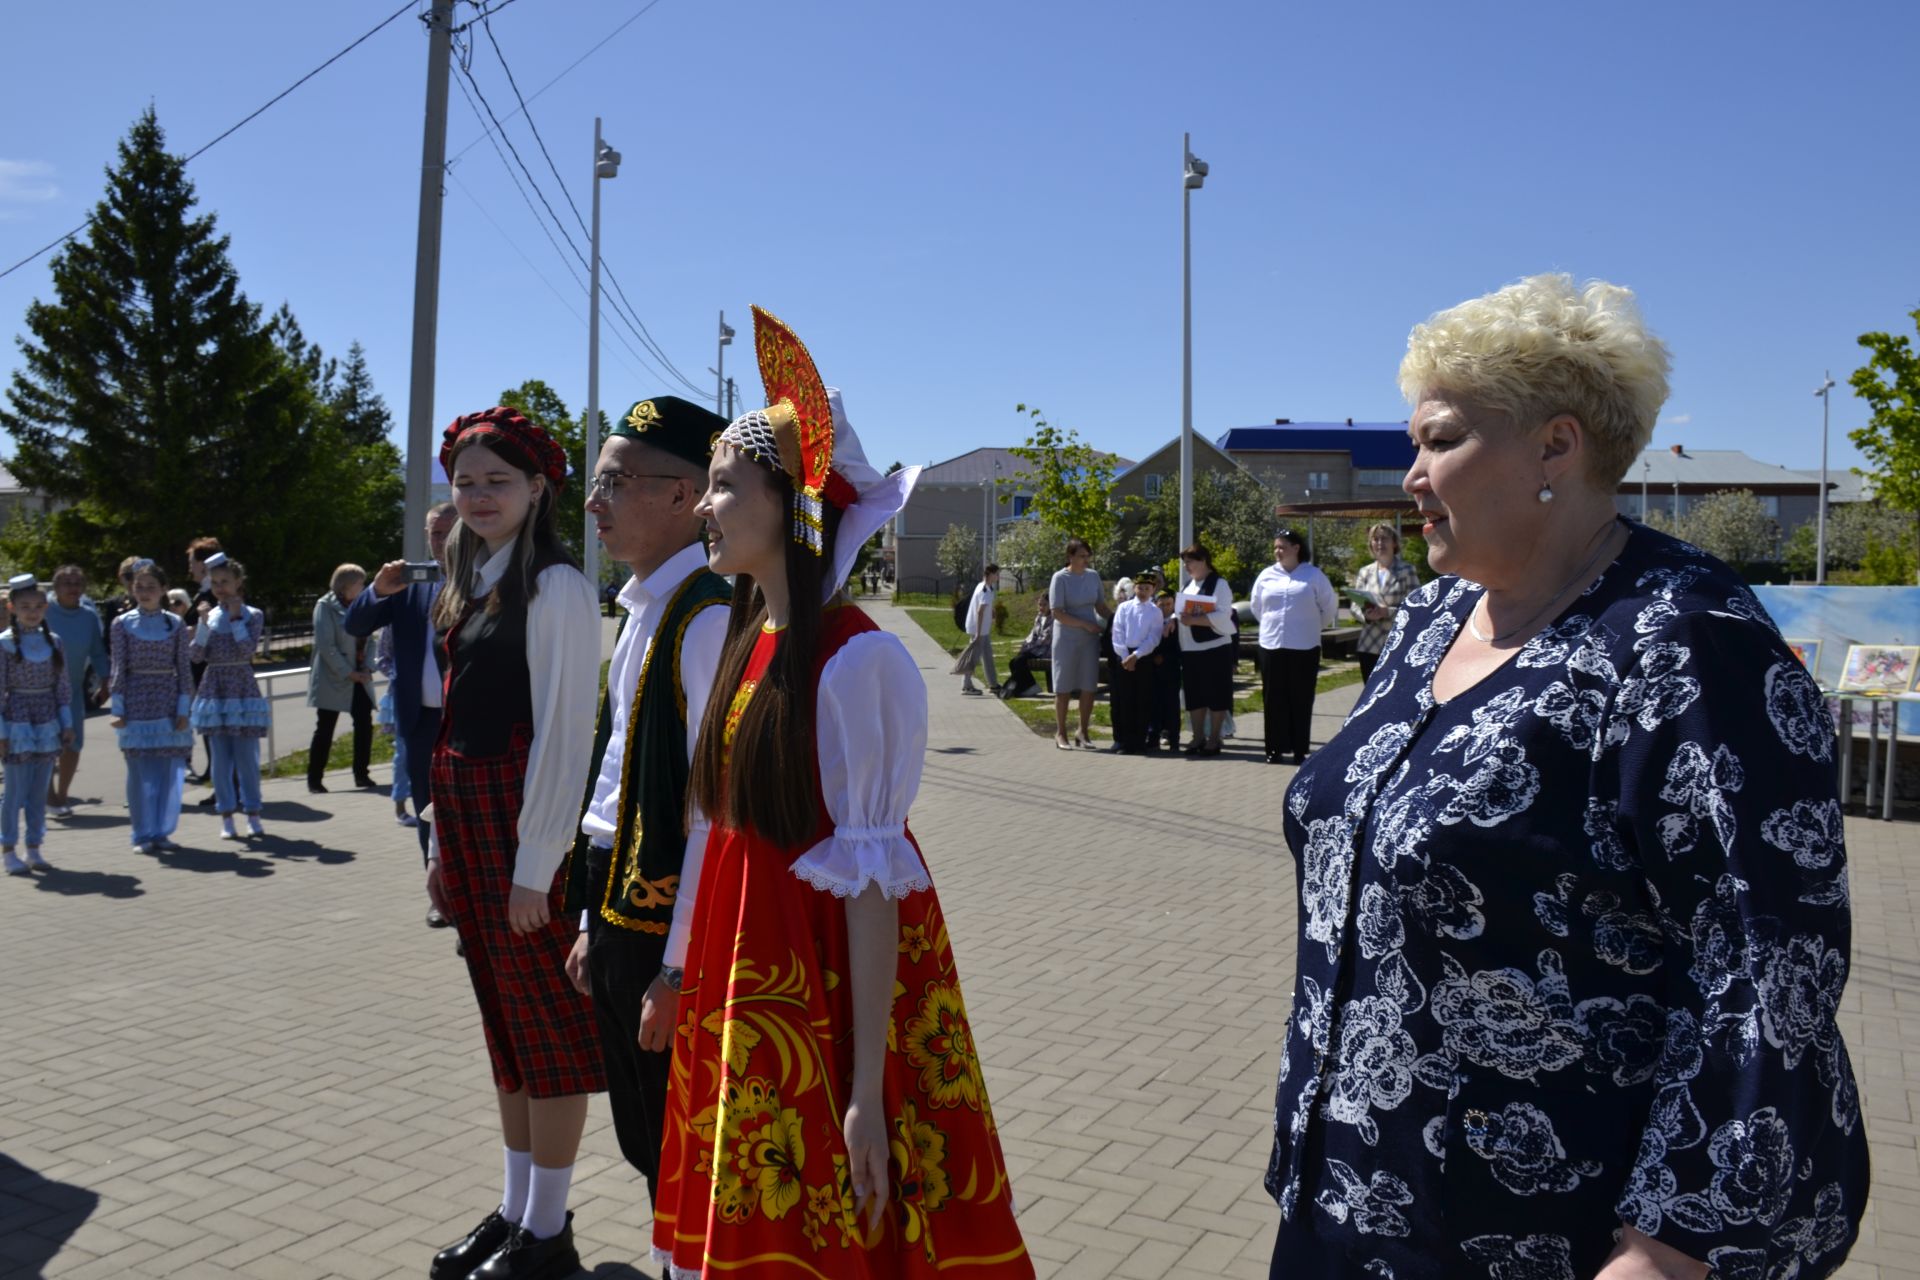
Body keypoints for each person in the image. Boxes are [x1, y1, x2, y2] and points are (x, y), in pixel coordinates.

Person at [1266, 275, 1869, 1280]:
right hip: (1347, 1194)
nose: (1412, 475)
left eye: (1442, 439)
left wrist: (1674, 1248)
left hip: (1547, 1233)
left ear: (1557, 445)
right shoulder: (1425, 622)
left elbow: (1768, 968)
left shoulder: (1685, 644)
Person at [652, 308, 1031, 1279]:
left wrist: (865, 1084)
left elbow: (871, 887)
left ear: (791, 503)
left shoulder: (859, 659)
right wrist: (687, 963)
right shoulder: (743, 638)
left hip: (824, 992)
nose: (704, 503)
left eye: (726, 484)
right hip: (752, 968)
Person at [422, 407, 602, 1280]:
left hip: (523, 836)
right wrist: (438, 851)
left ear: (538, 488)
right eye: (465, 481)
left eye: (497, 480)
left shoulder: (557, 585)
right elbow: (449, 718)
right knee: (505, 1033)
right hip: (469, 829)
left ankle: (548, 1232)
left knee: (545, 1033)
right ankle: (516, 1209)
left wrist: (539, 870)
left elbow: (568, 738)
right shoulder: (473, 579)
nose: (479, 495)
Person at [559, 394, 730, 1225]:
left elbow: (711, 815)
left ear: (681, 496)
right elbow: (612, 784)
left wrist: (677, 968)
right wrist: (591, 916)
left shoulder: (705, 618)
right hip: (616, 896)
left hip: (665, 918)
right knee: (643, 1136)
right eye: (596, 483)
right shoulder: (644, 609)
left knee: (674, 1139)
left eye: (614, 482)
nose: (594, 502)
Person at [351, 502, 458, 904]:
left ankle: (470, 898)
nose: (441, 542)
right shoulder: (411, 584)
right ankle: (439, 897)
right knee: (426, 807)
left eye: (449, 532)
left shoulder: (483, 578)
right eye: (434, 533)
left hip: (468, 719)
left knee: (467, 811)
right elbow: (356, 625)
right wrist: (377, 589)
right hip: (421, 720)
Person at [108, 560, 193, 854]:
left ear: (163, 590)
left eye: (151, 587)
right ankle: (142, 833)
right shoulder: (122, 624)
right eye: (139, 587)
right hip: (136, 699)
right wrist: (117, 707)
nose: (144, 592)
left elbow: (183, 668)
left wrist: (183, 708)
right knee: (139, 770)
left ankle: (162, 830)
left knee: (168, 770)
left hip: (167, 700)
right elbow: (118, 667)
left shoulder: (176, 624)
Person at [189, 554, 268, 839]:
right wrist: (201, 624)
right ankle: (225, 816)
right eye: (216, 582)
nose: (220, 587)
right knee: (220, 760)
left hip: (241, 686)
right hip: (215, 687)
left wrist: (235, 619)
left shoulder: (252, 614)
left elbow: (246, 651)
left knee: (247, 758)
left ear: (238, 582)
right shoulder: (209, 615)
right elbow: (196, 656)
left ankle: (253, 813)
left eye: (226, 582)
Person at [0, 575, 74, 875]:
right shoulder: (3, 644)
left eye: (37, 606)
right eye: (24, 606)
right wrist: (2, 733)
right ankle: (8, 849)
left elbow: (63, 688)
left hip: (46, 720)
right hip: (17, 720)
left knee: (39, 788)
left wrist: (66, 724)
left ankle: (34, 847)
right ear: (12, 607)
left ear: (45, 607)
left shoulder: (54, 642)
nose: (32, 612)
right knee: (15, 790)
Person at [1249, 529, 1338, 766]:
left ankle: (1300, 749)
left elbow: (1329, 608)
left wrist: (1309, 627)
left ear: (1296, 548)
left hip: (1304, 645)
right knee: (1273, 698)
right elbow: (1257, 607)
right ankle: (1274, 748)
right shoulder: (1266, 575)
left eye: (1282, 547)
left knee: (1301, 698)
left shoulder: (1313, 575)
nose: (1278, 551)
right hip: (1271, 644)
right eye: (1276, 547)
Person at [44, 564, 110, 817]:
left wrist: (105, 680)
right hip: (43, 690)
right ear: (56, 587)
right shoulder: (45, 611)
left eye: (77, 583)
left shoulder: (88, 616)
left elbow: (97, 650)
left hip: (72, 688)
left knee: (73, 744)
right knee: (47, 743)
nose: (72, 588)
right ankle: (48, 796)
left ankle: (62, 795)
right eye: (66, 583)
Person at [306, 564, 376, 794]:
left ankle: (362, 775)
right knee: (325, 727)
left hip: (359, 675)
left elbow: (372, 637)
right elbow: (326, 646)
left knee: (364, 725)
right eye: (360, 583)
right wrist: (348, 672)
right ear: (346, 586)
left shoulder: (362, 604)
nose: (364, 587)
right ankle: (314, 779)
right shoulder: (324, 606)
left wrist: (367, 666)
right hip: (334, 677)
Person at [1049, 537, 1110, 749]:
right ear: (1070, 556)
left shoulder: (1093, 577)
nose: (1086, 560)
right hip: (1066, 638)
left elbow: (1101, 606)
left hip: (1089, 638)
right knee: (1063, 687)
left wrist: (1118, 618)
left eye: (1088, 556)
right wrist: (1084, 624)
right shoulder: (1060, 578)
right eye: (1082, 556)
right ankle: (1061, 733)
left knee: (1088, 686)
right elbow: (1057, 612)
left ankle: (1082, 731)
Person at [1174, 544, 1235, 755]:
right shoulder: (1188, 585)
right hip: (1190, 649)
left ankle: (1214, 738)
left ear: (1203, 561)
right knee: (1195, 695)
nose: (1186, 567)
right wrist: (1172, 621)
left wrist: (1195, 620)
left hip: (1215, 647)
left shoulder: (1219, 584)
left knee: (1216, 693)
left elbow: (1224, 614)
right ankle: (1197, 736)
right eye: (1185, 563)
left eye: (1190, 562)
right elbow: (1180, 612)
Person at [1349, 523, 1422, 681]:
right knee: (1368, 698)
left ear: (1394, 543)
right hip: (1369, 645)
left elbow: (1418, 607)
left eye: (1384, 539)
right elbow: (1355, 607)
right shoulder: (1365, 572)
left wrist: (1387, 612)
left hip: (1397, 645)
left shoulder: (1407, 571)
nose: (1380, 543)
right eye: (1375, 539)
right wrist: (1367, 615)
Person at [182, 537, 223, 788]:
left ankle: (219, 777)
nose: (190, 568)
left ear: (204, 565)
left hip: (209, 668)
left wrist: (193, 628)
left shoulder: (212, 594)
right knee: (207, 722)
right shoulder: (204, 593)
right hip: (201, 666)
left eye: (192, 562)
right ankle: (213, 771)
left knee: (213, 721)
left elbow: (215, 627)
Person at [1108, 568, 1162, 754]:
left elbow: (1153, 638)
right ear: (1135, 588)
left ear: (1153, 590)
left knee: (1142, 700)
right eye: (1140, 587)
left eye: (1147, 588)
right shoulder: (1124, 608)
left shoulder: (1155, 612)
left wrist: (1136, 656)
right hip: (1123, 657)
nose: (1143, 591)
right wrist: (1125, 657)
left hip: (1143, 657)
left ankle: (1139, 742)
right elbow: (1117, 633)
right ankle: (1124, 741)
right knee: (1125, 701)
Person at [950, 563, 1000, 695]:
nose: (998, 577)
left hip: (982, 630)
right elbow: (980, 611)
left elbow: (984, 606)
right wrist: (977, 633)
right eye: (996, 574)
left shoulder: (983, 586)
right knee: (974, 657)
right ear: (990, 574)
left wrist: (992, 611)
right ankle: (966, 685)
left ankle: (993, 684)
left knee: (987, 655)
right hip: (979, 630)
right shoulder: (985, 590)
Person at [1145, 588, 1182, 752]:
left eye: (1169, 604)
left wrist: (1165, 657)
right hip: (1153, 670)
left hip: (1171, 670)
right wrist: (1154, 656)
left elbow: (1180, 647)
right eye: (1162, 604)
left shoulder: (1178, 623)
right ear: (1155, 604)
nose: (1165, 608)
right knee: (1153, 704)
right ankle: (1152, 736)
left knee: (1172, 706)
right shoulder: (1151, 621)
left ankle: (1174, 738)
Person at [1002, 597, 1052, 699]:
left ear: (1051, 605)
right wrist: (1025, 645)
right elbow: (1032, 634)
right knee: (1013, 662)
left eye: (1044, 605)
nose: (1041, 608)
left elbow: (1044, 639)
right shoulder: (1039, 617)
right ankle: (1028, 686)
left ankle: (1013, 686)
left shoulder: (1054, 619)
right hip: (1035, 648)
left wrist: (1029, 648)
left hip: (1044, 650)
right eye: (1040, 605)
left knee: (1019, 661)